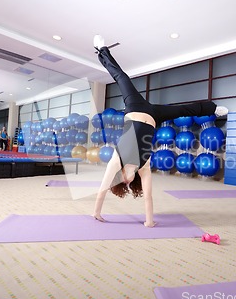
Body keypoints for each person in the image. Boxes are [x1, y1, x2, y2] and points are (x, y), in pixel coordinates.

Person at [91, 35, 228, 227]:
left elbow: (103, 188)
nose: (128, 182)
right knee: (182, 110)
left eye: (124, 183)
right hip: (154, 116)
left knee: (121, 77)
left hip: (134, 107)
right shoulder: (144, 166)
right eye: (130, 184)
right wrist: (149, 221)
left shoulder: (116, 161)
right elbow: (148, 197)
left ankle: (101, 50)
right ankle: (213, 109)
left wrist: (96, 213)